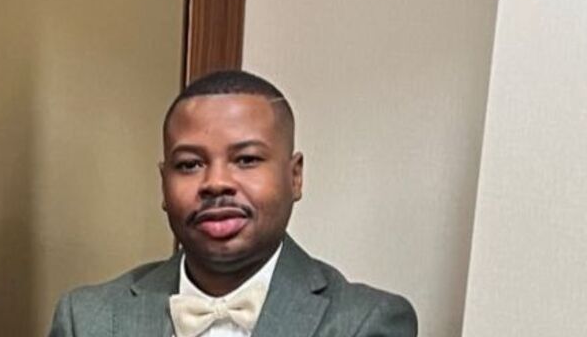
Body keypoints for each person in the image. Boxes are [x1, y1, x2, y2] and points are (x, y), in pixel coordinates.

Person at [48, 70, 416, 337]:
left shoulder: (365, 321)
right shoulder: (87, 319)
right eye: (189, 164)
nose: (216, 183)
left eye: (247, 159)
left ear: (294, 176)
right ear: (164, 184)